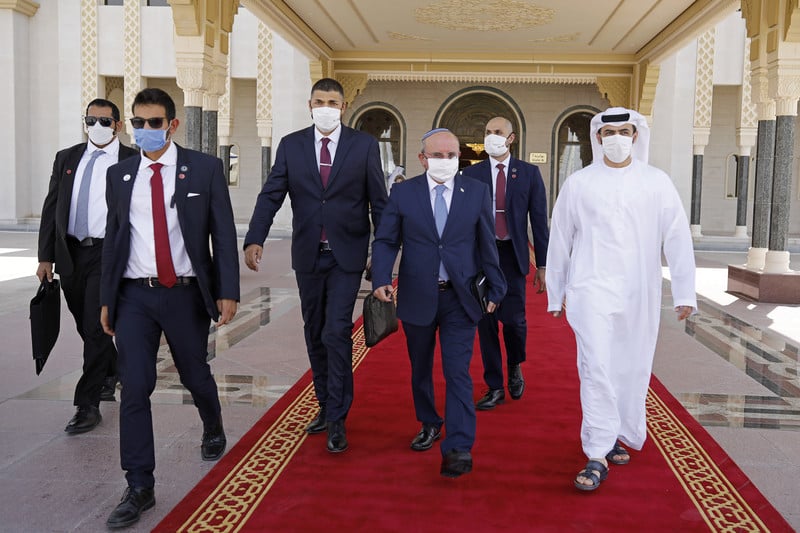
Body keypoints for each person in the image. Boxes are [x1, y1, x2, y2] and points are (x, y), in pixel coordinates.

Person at [99, 88, 239, 528]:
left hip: (184, 293)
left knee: (194, 371)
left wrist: (228, 290)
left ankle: (212, 423)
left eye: (153, 123)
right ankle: (139, 484)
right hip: (134, 296)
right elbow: (113, 240)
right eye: (137, 123)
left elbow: (223, 235)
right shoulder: (120, 176)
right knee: (134, 387)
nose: (144, 131)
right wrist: (107, 299)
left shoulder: (204, 169)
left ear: (172, 125)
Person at [545, 107, 696, 492]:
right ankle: (596, 452)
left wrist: (684, 292)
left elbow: (677, 237)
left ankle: (616, 432)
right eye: (607, 131)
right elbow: (560, 237)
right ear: (597, 138)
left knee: (629, 366)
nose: (615, 137)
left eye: (623, 130)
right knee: (595, 365)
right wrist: (556, 293)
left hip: (638, 290)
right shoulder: (579, 183)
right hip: (589, 287)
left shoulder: (656, 182)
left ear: (635, 134)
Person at [244, 78, 388, 454]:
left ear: (343, 107)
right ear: (310, 105)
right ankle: (325, 403)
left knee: (336, 331)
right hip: (309, 253)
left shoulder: (364, 146)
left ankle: (339, 417)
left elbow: (380, 204)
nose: (326, 106)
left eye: (333, 101)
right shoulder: (292, 145)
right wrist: (255, 236)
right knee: (314, 331)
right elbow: (272, 193)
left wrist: (382, 254)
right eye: (320, 101)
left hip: (347, 256)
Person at [371, 128, 506, 478]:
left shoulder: (475, 192)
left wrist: (496, 287)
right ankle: (429, 421)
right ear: (422, 159)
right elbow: (386, 240)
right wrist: (381, 277)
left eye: (451, 155)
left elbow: (486, 242)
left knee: (457, 371)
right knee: (420, 368)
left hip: (460, 299)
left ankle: (459, 446)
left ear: (459, 157)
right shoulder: (403, 194)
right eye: (437, 155)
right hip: (418, 295)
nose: (444, 161)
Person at [37, 98, 138, 434]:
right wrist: (45, 257)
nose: (97, 126)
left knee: (96, 328)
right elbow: (52, 208)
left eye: (105, 121)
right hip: (71, 254)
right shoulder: (67, 158)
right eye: (91, 120)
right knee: (84, 323)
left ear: (118, 126)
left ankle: (87, 404)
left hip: (108, 254)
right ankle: (111, 369)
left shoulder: (131, 160)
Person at [462, 116, 549, 410]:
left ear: (511, 138)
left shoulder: (528, 173)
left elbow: (539, 222)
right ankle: (494, 385)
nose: (491, 137)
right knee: (484, 324)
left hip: (512, 256)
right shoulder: (470, 175)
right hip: (481, 259)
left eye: (498, 132)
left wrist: (543, 265)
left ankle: (514, 363)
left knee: (513, 321)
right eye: (487, 132)